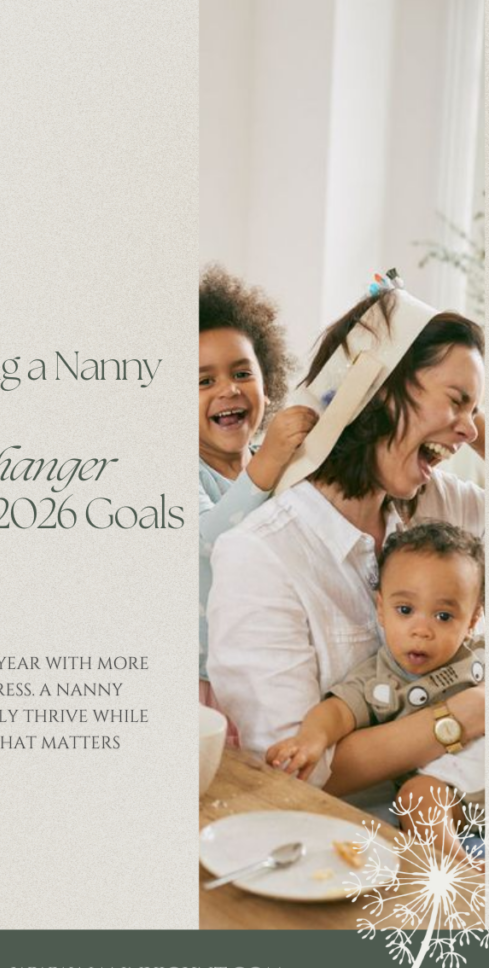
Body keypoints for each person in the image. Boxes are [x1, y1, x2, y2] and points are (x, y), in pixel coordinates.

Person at [207, 276, 485, 796]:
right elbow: (294, 774)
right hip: (344, 844)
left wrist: (470, 421)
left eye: (476, 411)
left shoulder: (439, 502)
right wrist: (460, 718)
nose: (470, 430)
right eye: (458, 400)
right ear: (379, 390)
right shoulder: (262, 555)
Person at [266, 521, 484, 866]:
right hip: (451, 796)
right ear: (380, 609)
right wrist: (311, 738)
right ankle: (462, 870)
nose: (422, 630)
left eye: (443, 616)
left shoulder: (479, 654)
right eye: (405, 610)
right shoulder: (381, 682)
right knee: (417, 797)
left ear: (472, 621)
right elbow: (338, 711)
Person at [198, 266, 317, 712]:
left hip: (263, 675)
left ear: (267, 383)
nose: (228, 389)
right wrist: (267, 463)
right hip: (200, 680)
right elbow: (208, 541)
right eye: (203, 381)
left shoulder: (279, 468)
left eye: (242, 373)